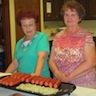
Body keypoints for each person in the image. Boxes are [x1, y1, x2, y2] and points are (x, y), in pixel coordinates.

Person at [49, 0, 96, 88]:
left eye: (73, 15)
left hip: (83, 83)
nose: (69, 18)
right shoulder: (58, 36)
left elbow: (91, 62)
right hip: (60, 81)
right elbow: (51, 60)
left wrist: (70, 76)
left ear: (80, 18)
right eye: (66, 14)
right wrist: (57, 74)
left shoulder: (86, 36)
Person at [5, 10, 50, 77]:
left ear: (35, 24)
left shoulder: (42, 37)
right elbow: (15, 63)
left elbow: (42, 57)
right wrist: (4, 76)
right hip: (23, 80)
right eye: (24, 25)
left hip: (40, 80)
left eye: (30, 24)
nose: (28, 28)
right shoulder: (19, 43)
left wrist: (36, 76)